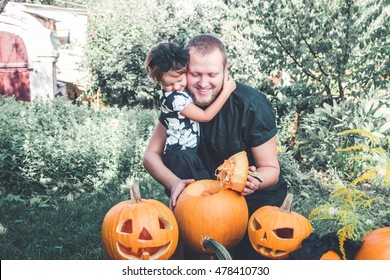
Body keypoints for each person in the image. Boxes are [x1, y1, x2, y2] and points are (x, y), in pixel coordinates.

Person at [143, 35, 288, 260]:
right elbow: (151, 155)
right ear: (184, 70)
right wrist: (174, 184)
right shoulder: (178, 100)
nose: (203, 83)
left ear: (225, 69)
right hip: (199, 206)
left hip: (251, 202)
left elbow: (271, 168)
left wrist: (255, 180)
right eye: (195, 74)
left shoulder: (251, 104)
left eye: (212, 74)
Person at [144, 42, 236, 188]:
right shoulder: (174, 99)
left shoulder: (178, 93)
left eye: (180, 80)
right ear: (159, 82)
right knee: (201, 191)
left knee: (196, 192)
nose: (175, 87)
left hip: (185, 154)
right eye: (168, 84)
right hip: (181, 156)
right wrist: (226, 91)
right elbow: (205, 116)